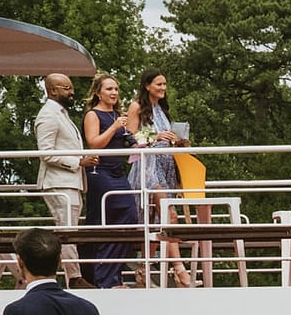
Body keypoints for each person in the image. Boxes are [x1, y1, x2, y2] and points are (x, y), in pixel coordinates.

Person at [129, 68, 192, 288]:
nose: (163, 88)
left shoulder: (161, 109)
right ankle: (180, 270)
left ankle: (143, 270)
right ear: (147, 86)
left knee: (158, 220)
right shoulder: (137, 106)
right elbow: (129, 137)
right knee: (170, 215)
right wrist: (155, 137)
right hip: (148, 167)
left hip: (166, 165)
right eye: (159, 84)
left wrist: (177, 141)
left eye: (165, 84)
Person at [34, 73, 96, 285]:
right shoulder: (48, 115)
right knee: (67, 230)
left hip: (69, 182)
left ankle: (74, 276)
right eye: (66, 88)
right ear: (53, 91)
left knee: (70, 230)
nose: (72, 92)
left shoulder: (60, 113)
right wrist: (79, 162)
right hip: (58, 182)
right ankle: (74, 277)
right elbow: (46, 153)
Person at [81, 76, 138, 289]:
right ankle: (102, 278)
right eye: (109, 89)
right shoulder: (93, 115)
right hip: (99, 171)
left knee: (130, 217)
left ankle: (114, 274)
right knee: (104, 219)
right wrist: (114, 127)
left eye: (116, 89)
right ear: (98, 92)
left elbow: (125, 142)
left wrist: (138, 144)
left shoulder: (118, 114)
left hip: (117, 170)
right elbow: (94, 144)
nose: (114, 93)